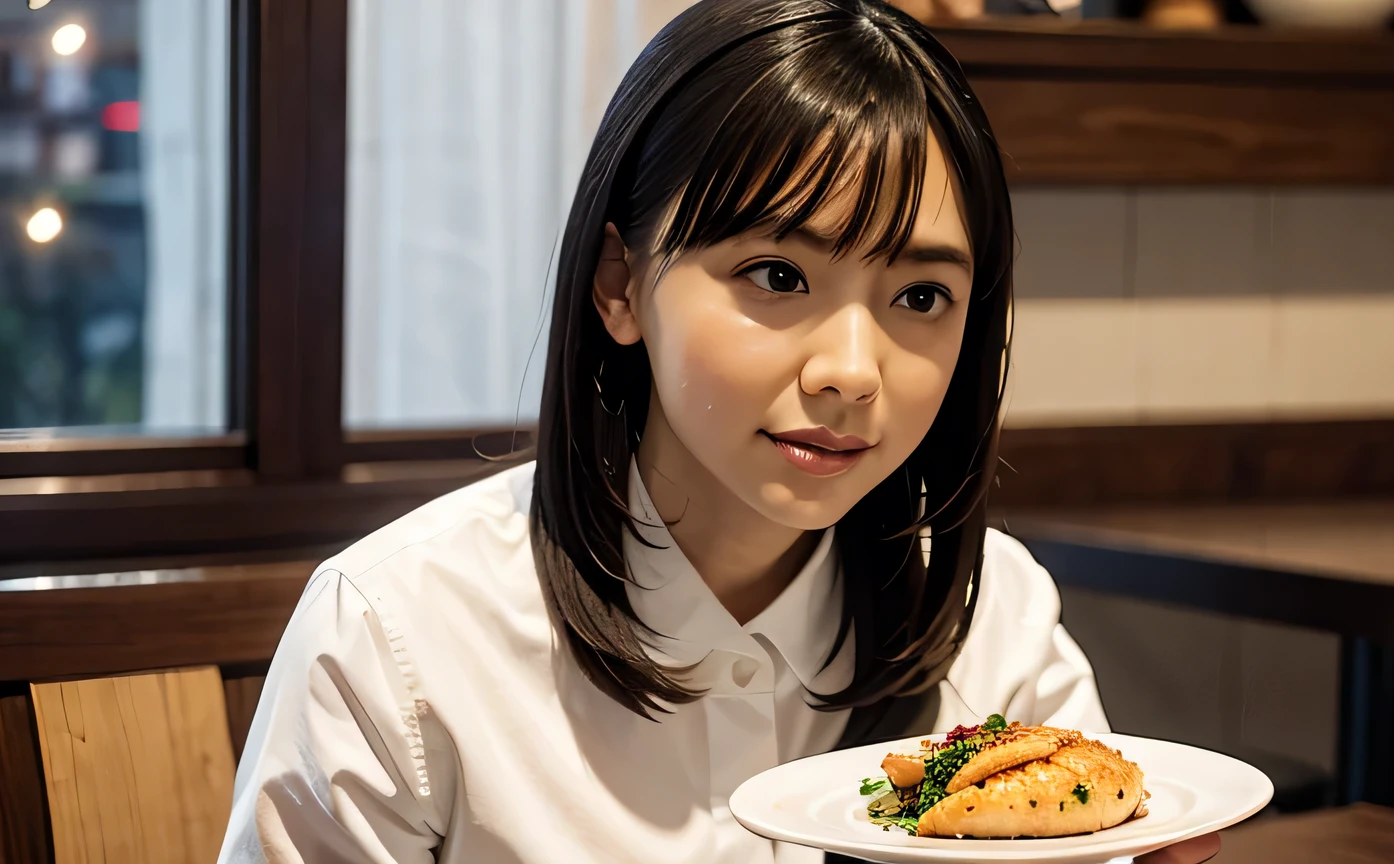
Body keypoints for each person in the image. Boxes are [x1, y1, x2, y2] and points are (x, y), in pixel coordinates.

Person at [218, 2, 1215, 862]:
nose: (852, 373)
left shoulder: (993, 618)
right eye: (778, 277)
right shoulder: (401, 635)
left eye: (921, 295)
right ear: (621, 284)